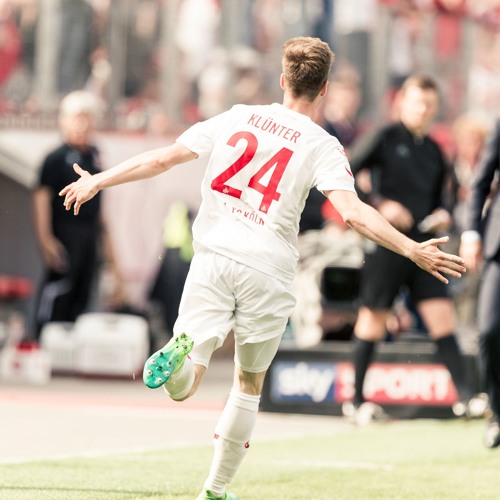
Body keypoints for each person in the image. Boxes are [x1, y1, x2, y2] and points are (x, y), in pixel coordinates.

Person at [60, 38, 465, 500]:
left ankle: (176, 360)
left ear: (282, 79)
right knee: (248, 384)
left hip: (213, 258)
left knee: (187, 380)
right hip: (266, 270)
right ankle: (215, 489)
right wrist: (411, 249)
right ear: (325, 88)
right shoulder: (322, 144)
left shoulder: (237, 116)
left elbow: (162, 158)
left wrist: (98, 180)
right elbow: (352, 212)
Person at [342, 75, 482, 424]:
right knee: (372, 320)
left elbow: (445, 196)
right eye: (417, 102)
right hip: (387, 244)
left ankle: (465, 399)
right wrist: (379, 203)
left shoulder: (434, 149)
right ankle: (356, 402)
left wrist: (444, 214)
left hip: (425, 247)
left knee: (442, 319)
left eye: (429, 104)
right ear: (401, 102)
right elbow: (343, 174)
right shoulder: (384, 136)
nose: (423, 109)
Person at [32, 90, 121, 338]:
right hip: (64, 232)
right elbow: (40, 199)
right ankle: (43, 338)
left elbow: (101, 205)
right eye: (76, 118)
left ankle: (71, 346)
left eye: (87, 118)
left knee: (84, 288)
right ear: (64, 121)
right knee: (60, 288)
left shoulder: (95, 156)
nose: (82, 124)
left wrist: (109, 250)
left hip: (89, 233)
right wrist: (46, 239)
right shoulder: (55, 158)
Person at [460, 118, 500, 449]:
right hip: (498, 245)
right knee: (488, 329)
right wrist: (471, 233)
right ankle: (497, 415)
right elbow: (481, 181)